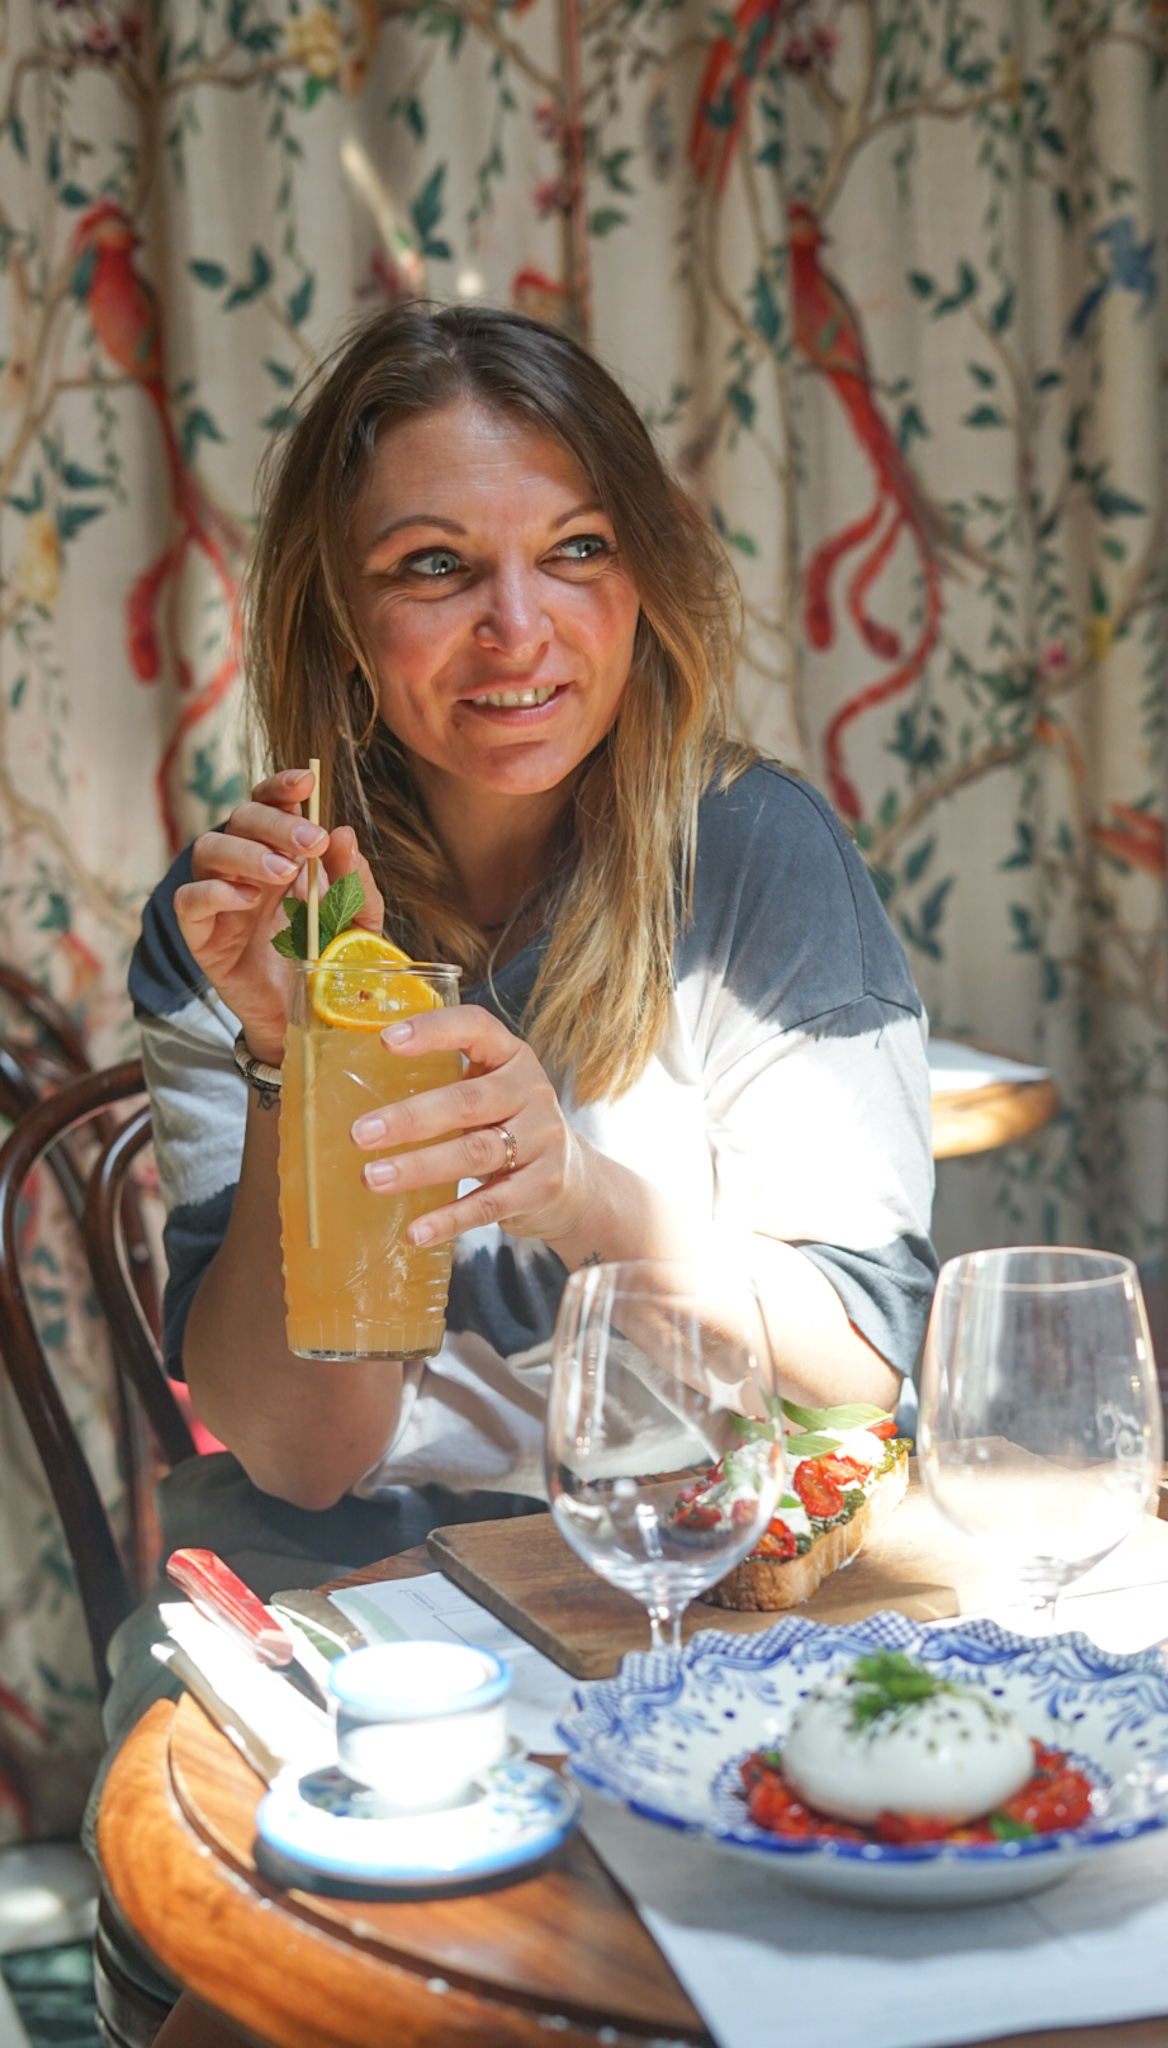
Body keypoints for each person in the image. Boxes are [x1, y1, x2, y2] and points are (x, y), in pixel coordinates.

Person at [117, 300, 937, 2045]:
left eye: (574, 550)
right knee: (280, 2007)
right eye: (433, 567)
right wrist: (284, 1064)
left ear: (640, 575)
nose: (520, 630)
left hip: (665, 1583)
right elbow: (309, 1454)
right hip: (346, 1616)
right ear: (340, 614)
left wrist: (581, 1195)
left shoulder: (751, 863)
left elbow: (865, 1358)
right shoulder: (247, 925)